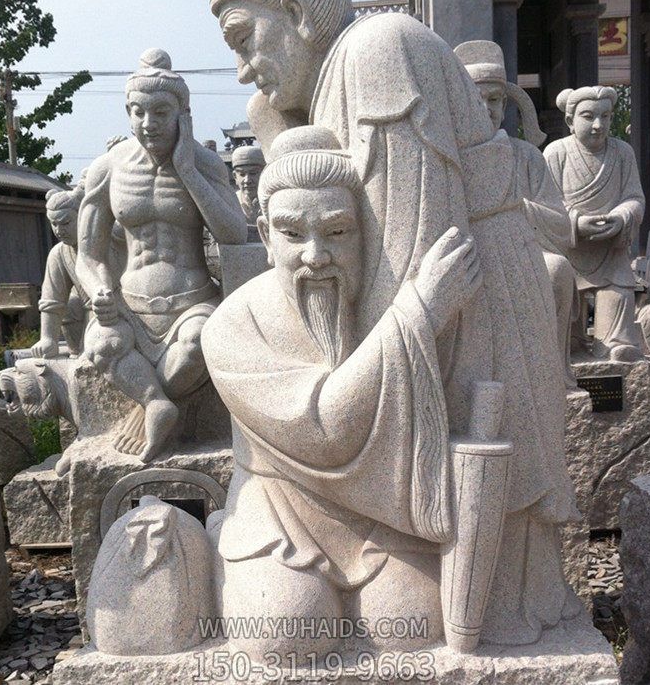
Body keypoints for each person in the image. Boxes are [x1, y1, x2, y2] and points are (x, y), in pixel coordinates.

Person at [209, 0, 578, 646]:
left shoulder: (378, 53)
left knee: (462, 602)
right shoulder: (334, 82)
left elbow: (410, 254)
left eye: (244, 38)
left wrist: (385, 351)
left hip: (469, 316)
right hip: (410, 348)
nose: (244, 68)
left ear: (296, 12)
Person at [203, 127, 482, 660]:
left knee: (413, 625)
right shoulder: (232, 328)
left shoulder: (378, 303)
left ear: (362, 232)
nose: (315, 255)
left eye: (337, 232)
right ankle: (225, 542)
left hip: (380, 509)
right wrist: (419, 315)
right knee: (287, 636)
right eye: (292, 234)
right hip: (279, 502)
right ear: (265, 236)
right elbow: (323, 429)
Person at [76, 48, 247, 463]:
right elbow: (87, 254)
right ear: (127, 112)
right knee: (102, 344)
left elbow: (234, 234)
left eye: (161, 112)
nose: (148, 123)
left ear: (183, 114)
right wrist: (99, 290)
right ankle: (157, 404)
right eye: (138, 112)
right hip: (129, 306)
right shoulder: (109, 168)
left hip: (192, 303)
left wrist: (187, 170)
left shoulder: (205, 164)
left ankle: (147, 407)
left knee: (198, 344)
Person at [454, 40, 578, 388]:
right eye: (476, 99)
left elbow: (562, 227)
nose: (486, 108)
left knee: (557, 270)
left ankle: (550, 372)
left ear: (505, 104)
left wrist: (515, 211)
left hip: (525, 254)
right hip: (473, 255)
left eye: (494, 99)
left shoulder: (527, 157)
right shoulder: (452, 159)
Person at [544, 86, 645, 362]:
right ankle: (570, 344)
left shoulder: (623, 153)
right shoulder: (556, 153)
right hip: (569, 248)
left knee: (618, 290)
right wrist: (576, 222)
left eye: (605, 116)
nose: (598, 125)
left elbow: (635, 198)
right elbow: (544, 204)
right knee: (564, 296)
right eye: (588, 116)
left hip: (610, 249)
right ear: (570, 120)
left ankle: (614, 344)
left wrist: (621, 217)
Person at [32, 183, 89, 358]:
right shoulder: (59, 253)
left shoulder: (103, 242)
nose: (59, 230)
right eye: (54, 224)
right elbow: (52, 300)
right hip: (84, 312)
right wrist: (48, 338)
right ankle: (76, 351)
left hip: (114, 311)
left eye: (65, 222)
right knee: (71, 305)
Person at [231, 144, 266, 237]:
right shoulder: (230, 202)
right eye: (242, 174)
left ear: (264, 173)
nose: (247, 180)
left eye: (253, 173)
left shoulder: (274, 202)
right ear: (235, 176)